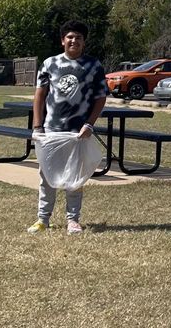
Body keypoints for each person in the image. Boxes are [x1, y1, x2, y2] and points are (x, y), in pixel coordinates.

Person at [27, 20, 108, 235]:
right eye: (70, 37)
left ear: (84, 42)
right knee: (47, 176)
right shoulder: (49, 64)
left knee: (75, 177)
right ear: (63, 40)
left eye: (78, 38)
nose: (74, 41)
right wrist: (37, 126)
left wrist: (90, 124)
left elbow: (101, 98)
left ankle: (73, 220)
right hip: (51, 130)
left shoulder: (93, 66)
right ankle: (42, 219)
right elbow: (39, 96)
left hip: (78, 132)